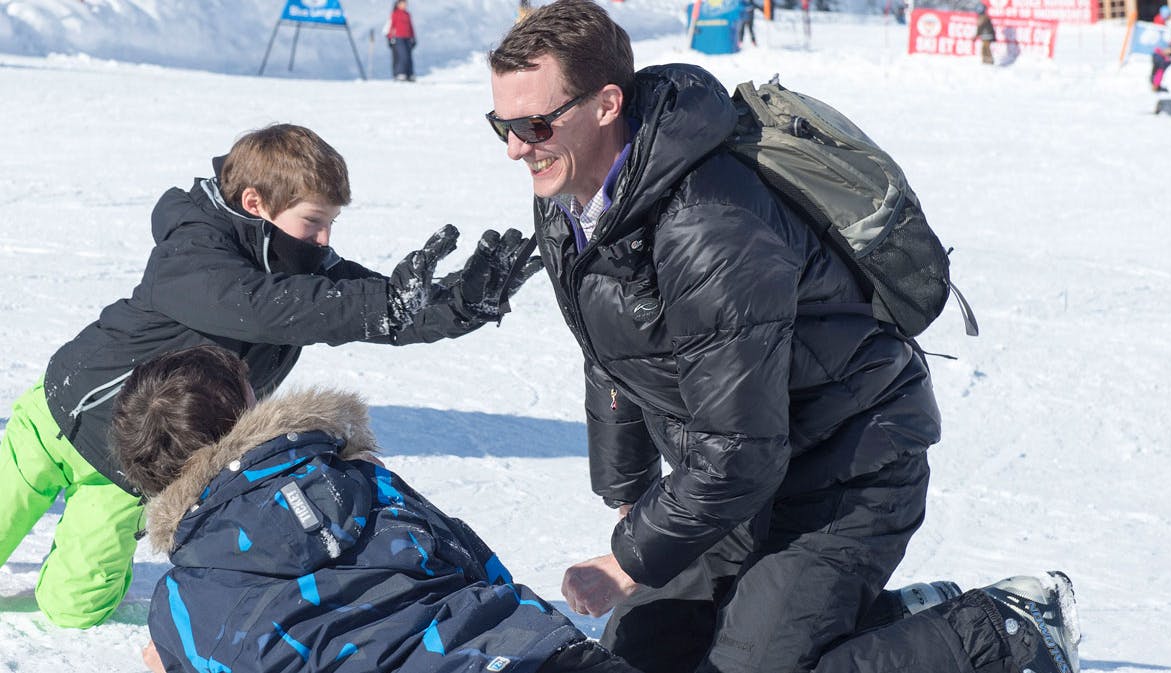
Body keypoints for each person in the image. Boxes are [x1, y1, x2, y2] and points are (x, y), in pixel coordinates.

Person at [485, 1, 1078, 672]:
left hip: (846, 469)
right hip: (741, 480)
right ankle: (888, 617)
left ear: (606, 104)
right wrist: (628, 486)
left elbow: (742, 449)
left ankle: (1005, 628)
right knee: (635, 656)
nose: (515, 148)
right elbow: (610, 347)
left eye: (533, 124)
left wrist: (629, 560)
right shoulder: (569, 198)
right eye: (501, 124)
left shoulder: (709, 226)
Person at [122, 345, 1079, 673]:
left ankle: (996, 633)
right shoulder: (357, 480)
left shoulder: (183, 601)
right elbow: (472, 565)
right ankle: (921, 623)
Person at [0, 123, 539, 628]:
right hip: (56, 419)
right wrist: (382, 305)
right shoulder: (193, 248)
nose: (325, 240)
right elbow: (263, 306)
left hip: (130, 470)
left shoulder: (297, 267)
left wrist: (455, 306)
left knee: (75, 609)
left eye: (331, 225)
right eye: (314, 222)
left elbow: (365, 305)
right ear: (255, 203)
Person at [387, 0, 417, 82]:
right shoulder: (395, 14)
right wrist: (390, 38)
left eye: (405, 3)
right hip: (398, 37)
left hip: (407, 37)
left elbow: (411, 27)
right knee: (402, 56)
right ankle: (400, 73)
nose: (404, 5)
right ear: (398, 4)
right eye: (403, 3)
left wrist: (414, 38)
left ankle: (409, 74)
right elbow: (391, 26)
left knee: (408, 56)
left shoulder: (407, 14)